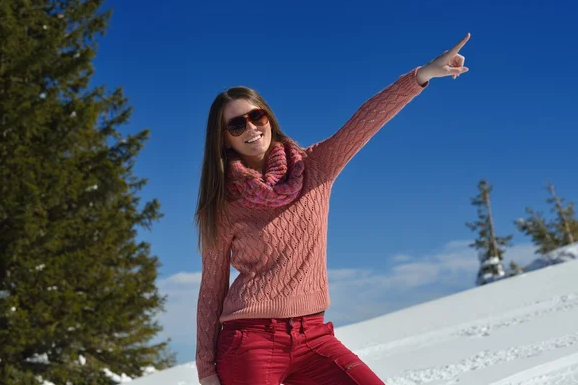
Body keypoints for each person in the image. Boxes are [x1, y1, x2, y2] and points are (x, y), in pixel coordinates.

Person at [194, 33, 471, 385]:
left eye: (256, 116)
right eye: (236, 124)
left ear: (268, 118)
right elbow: (211, 289)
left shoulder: (316, 166)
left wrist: (422, 75)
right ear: (223, 138)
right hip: (249, 340)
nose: (250, 128)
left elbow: (364, 122)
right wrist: (206, 370)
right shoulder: (222, 204)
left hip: (314, 335)